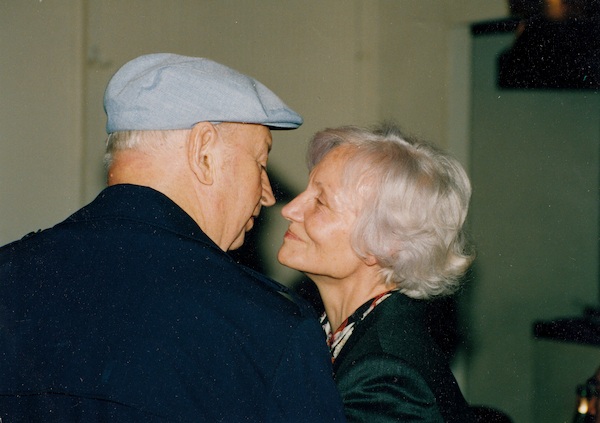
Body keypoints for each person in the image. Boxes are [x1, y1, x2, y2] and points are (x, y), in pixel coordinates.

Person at [0, 53, 346, 422]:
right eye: (259, 163)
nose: (268, 195)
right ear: (203, 152)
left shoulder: (9, 276)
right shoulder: (267, 326)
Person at [278, 123, 477, 422]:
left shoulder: (386, 375)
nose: (290, 209)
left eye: (320, 201)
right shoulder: (346, 330)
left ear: (382, 242)